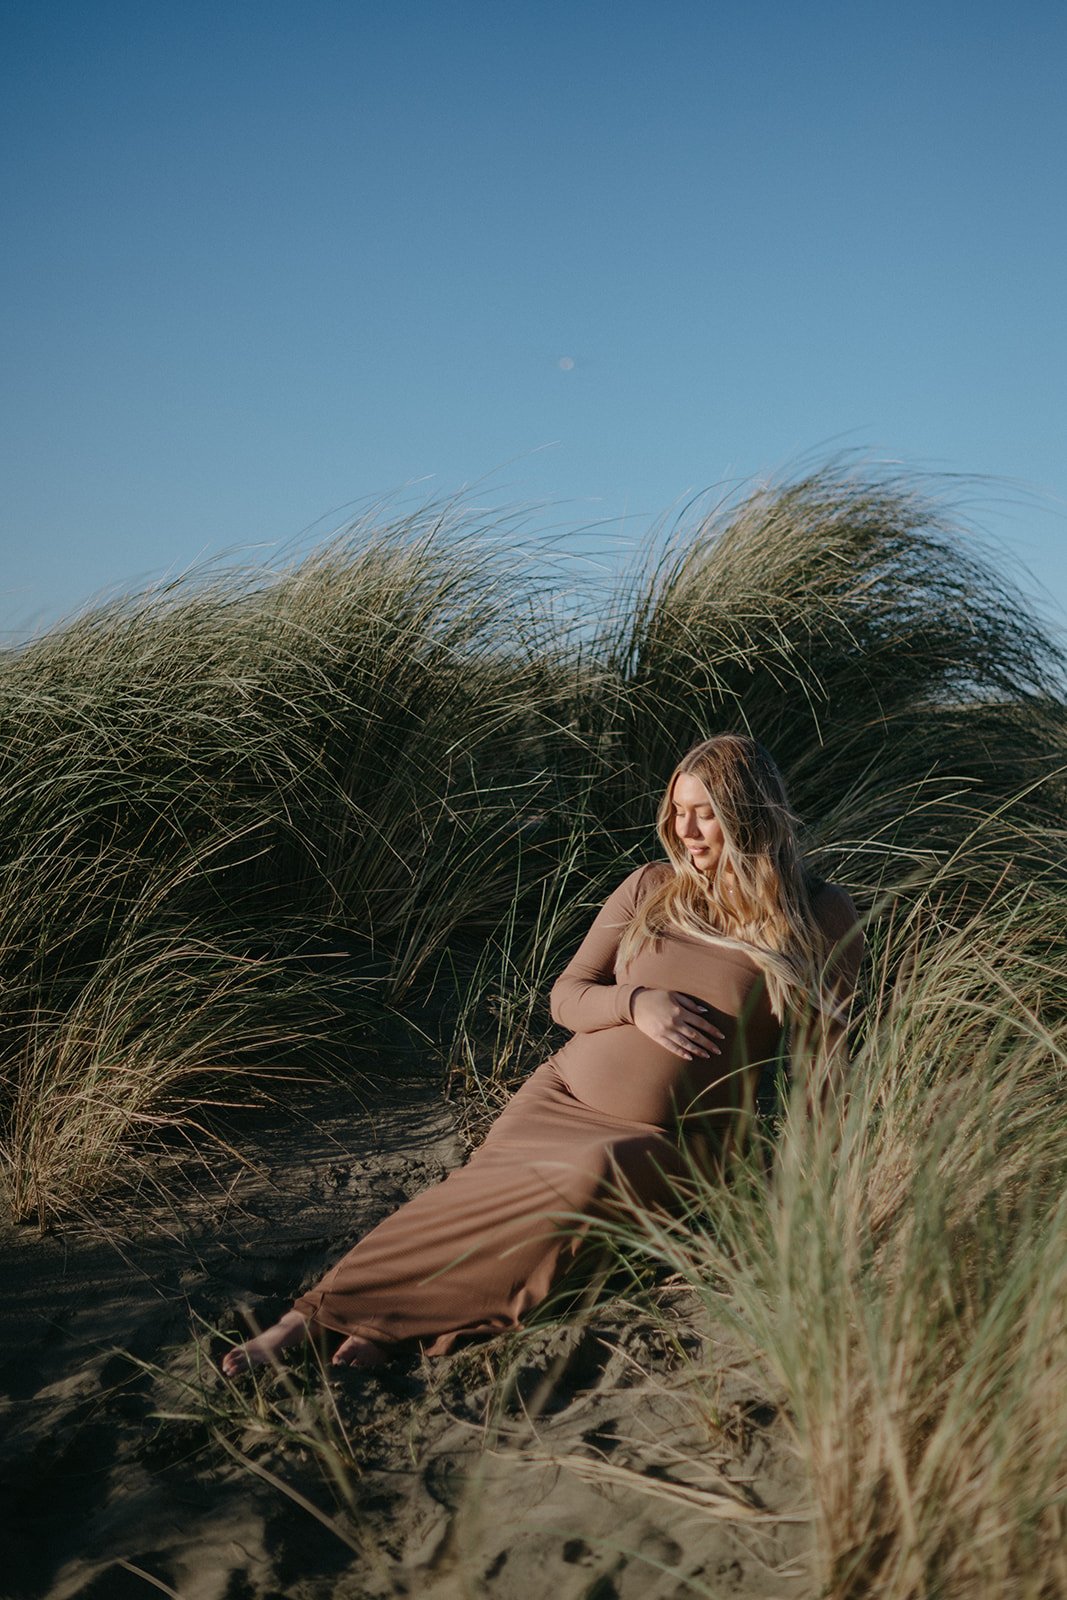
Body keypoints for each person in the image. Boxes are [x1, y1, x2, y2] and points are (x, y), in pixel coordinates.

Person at [222, 733, 864, 1378]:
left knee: (583, 1177)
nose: (686, 829)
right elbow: (567, 996)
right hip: (558, 1100)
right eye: (677, 810)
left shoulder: (817, 914)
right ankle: (307, 1316)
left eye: (706, 813)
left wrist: (810, 1187)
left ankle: (394, 1322)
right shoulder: (650, 887)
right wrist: (634, 1003)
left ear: (749, 815)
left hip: (675, 1135)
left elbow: (823, 1067)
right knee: (465, 1201)